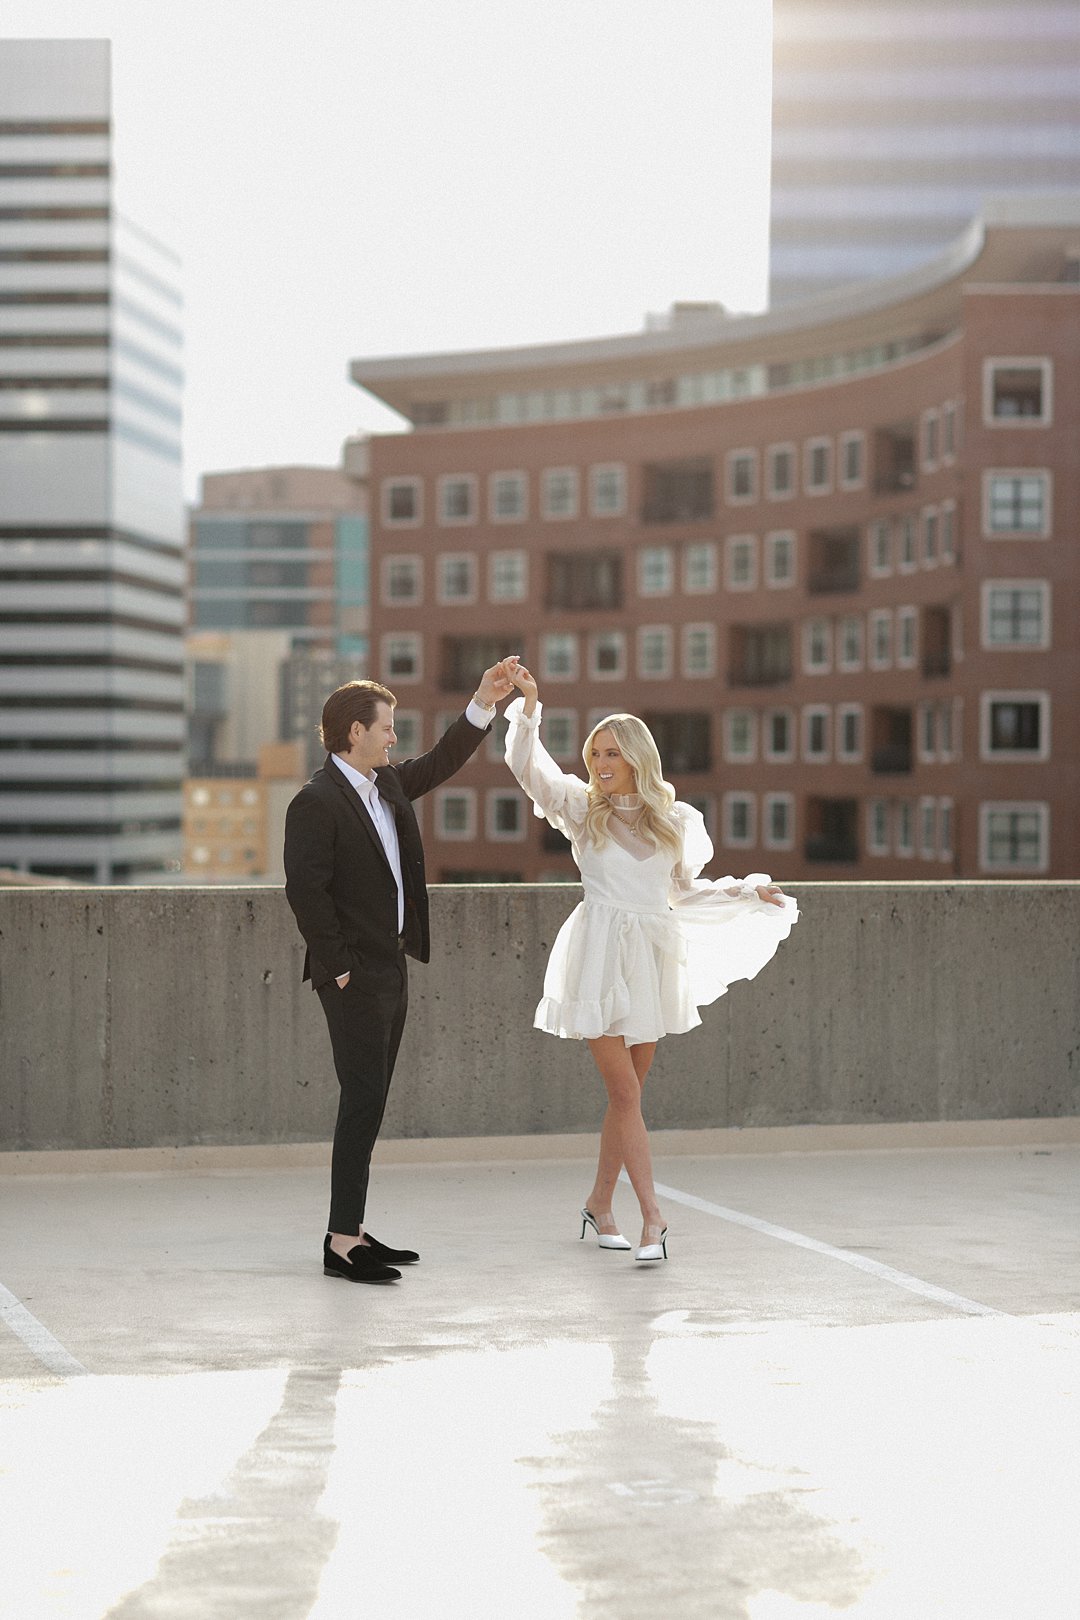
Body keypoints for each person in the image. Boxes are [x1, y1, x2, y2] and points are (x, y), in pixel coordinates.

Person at [501, 656, 798, 1264]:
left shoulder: (675, 819)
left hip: (652, 957)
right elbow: (526, 768)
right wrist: (530, 708)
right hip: (600, 953)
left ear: (637, 756)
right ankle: (654, 1219)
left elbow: (683, 891)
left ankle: (598, 1204)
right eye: (595, 755)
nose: (602, 766)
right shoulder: (582, 809)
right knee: (627, 1095)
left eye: (612, 754)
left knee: (626, 1096)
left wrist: (747, 889)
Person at [284, 664, 516, 1284]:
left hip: (391, 965)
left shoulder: (385, 785)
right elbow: (306, 894)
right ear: (354, 731)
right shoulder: (315, 801)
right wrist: (339, 974)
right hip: (354, 976)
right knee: (361, 1099)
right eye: (386, 728)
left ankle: (352, 1228)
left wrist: (482, 702)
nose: (394, 739)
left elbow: (441, 761)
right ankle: (340, 1242)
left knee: (372, 1099)